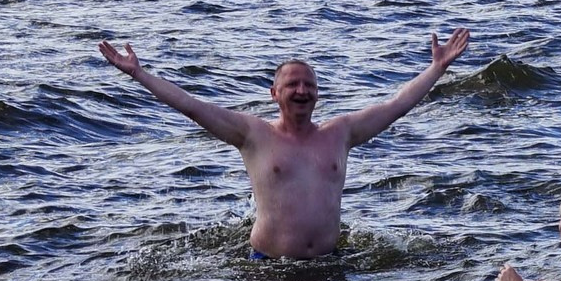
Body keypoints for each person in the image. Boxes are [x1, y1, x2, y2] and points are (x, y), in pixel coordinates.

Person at [96, 30, 471, 259]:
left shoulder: (340, 132)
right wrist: (140, 74)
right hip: (268, 266)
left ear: (318, 94)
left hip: (330, 263)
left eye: (309, 85)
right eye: (292, 84)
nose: (302, 91)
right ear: (275, 93)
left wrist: (437, 69)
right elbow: (191, 106)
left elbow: (396, 105)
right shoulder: (252, 134)